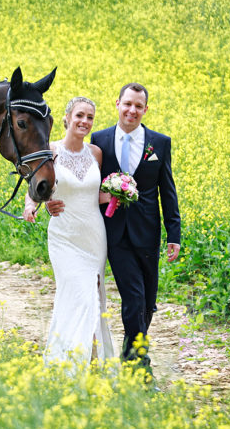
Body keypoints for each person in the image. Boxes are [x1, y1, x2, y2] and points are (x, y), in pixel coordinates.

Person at [48, 83, 180, 379]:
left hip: (147, 233)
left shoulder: (160, 142)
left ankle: (129, 351)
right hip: (113, 233)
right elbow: (81, 183)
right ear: (117, 104)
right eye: (127, 104)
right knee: (133, 299)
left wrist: (174, 234)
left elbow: (167, 191)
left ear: (146, 110)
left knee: (147, 304)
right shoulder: (101, 141)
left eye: (138, 106)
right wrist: (48, 203)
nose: (132, 110)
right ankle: (138, 369)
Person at [24, 97, 114, 366]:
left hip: (93, 236)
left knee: (92, 296)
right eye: (80, 116)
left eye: (90, 118)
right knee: (78, 293)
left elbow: (94, 194)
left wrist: (119, 193)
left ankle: (88, 357)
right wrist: (34, 207)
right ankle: (71, 362)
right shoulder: (50, 151)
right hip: (64, 236)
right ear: (67, 117)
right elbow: (34, 187)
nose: (84, 122)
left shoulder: (96, 153)